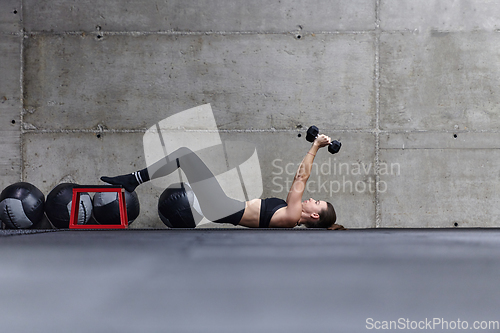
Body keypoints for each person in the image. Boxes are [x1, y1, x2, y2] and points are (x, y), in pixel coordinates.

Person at [101, 133, 345, 229]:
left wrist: (315, 147)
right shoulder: (289, 216)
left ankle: (133, 180)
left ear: (315, 216)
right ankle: (133, 179)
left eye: (318, 202)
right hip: (223, 205)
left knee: (184, 154)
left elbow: (300, 178)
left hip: (220, 207)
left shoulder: (292, 216)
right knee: (184, 155)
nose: (312, 199)